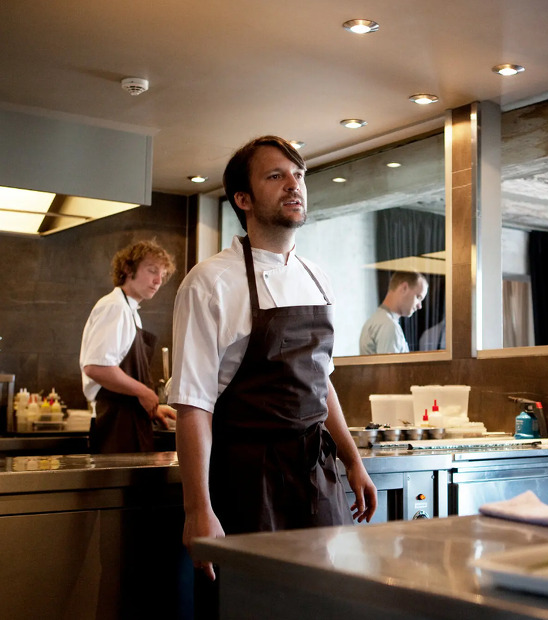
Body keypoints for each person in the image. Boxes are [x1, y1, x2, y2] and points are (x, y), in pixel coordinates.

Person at [169, 136, 378, 582]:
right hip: (247, 478)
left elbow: (322, 383)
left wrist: (352, 460)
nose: (293, 184)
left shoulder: (317, 277)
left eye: (298, 174)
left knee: (327, 600)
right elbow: (192, 405)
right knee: (256, 603)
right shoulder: (209, 283)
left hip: (315, 474)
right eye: (275, 175)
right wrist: (198, 509)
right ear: (242, 199)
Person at [80, 239, 177, 453]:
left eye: (163, 274)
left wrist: (153, 407)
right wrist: (145, 392)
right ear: (127, 269)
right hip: (115, 425)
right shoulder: (114, 307)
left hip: (126, 421)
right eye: (152, 271)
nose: (158, 280)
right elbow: (96, 367)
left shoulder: (130, 310)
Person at [358, 271, 428, 354]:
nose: (419, 306)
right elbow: (389, 367)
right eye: (418, 297)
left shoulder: (377, 320)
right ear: (404, 288)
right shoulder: (388, 325)